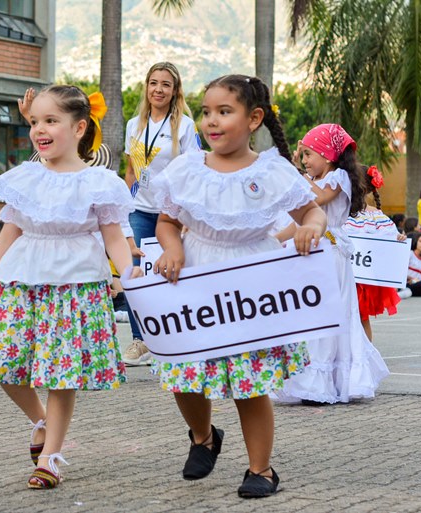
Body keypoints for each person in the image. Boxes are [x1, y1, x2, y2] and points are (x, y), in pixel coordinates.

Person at [150, 75, 326, 498]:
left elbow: (311, 212)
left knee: (250, 382)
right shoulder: (187, 168)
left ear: (254, 119)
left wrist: (311, 230)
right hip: (195, 277)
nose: (212, 121)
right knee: (185, 375)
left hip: (252, 281)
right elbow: (167, 222)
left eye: (224, 111)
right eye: (207, 111)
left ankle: (261, 469)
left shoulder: (272, 169)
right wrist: (171, 248)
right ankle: (204, 436)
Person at [0, 85, 139, 489]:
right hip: (23, 281)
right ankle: (41, 421)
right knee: (1, 362)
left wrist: (133, 279)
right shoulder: (27, 177)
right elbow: (6, 237)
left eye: (51, 121)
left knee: (63, 373)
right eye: (34, 122)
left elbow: (114, 239)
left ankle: (51, 455)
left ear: (79, 128)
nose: (40, 130)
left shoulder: (99, 181)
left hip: (75, 286)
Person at [279, 123, 389, 405]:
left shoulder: (338, 177)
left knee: (327, 316)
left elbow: (317, 197)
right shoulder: (317, 179)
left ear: (327, 155)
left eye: (308, 155)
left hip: (330, 256)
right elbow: (300, 220)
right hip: (313, 254)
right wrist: (273, 241)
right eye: (302, 156)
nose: (305, 161)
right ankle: (311, 380)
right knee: (308, 315)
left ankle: (324, 383)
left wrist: (295, 172)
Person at [122, 61, 202, 366]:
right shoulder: (134, 125)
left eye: (165, 84)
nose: (158, 89)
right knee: (135, 274)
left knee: (172, 275)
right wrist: (129, 201)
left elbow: (194, 172)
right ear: (146, 87)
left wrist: (185, 215)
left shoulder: (184, 126)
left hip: (171, 216)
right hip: (139, 211)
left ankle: (175, 342)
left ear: (175, 90)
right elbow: (131, 170)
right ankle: (140, 340)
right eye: (153, 83)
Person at [342, 165, 403, 341]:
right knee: (340, 317)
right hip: (340, 271)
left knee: (361, 317)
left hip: (361, 277)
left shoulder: (375, 215)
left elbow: (390, 239)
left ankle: (366, 355)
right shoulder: (339, 210)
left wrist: (398, 240)